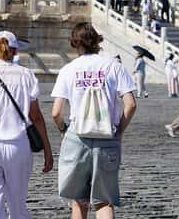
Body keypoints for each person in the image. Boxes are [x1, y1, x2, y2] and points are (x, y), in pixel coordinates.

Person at [51, 23, 137, 219]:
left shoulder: (68, 69)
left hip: (77, 137)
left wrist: (64, 129)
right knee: (104, 201)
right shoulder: (114, 66)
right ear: (97, 41)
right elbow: (131, 104)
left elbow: (56, 112)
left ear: (75, 43)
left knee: (78, 201)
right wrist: (119, 131)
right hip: (107, 136)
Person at [0, 30, 53, 219]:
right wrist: (47, 148)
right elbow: (36, 116)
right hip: (18, 145)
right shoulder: (27, 75)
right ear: (15, 51)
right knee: (18, 205)